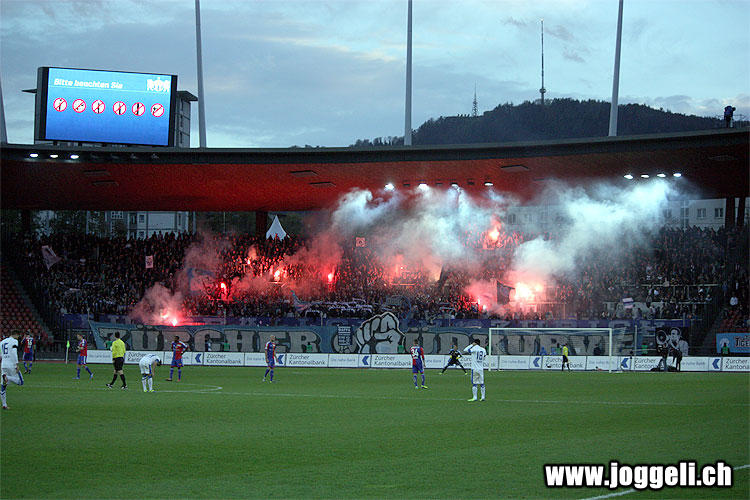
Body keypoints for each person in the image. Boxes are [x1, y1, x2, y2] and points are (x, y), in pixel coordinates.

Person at [1, 331, 25, 410]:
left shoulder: (2, 342)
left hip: (3, 365)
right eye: (18, 336)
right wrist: (16, 364)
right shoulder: (14, 341)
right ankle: (7, 377)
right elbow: (14, 352)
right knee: (20, 382)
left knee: (3, 386)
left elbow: (1, 355)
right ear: (15, 334)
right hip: (11, 364)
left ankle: (4, 405)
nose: (18, 338)